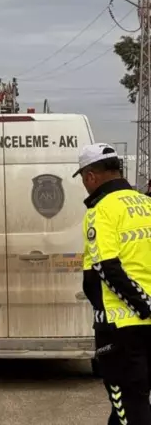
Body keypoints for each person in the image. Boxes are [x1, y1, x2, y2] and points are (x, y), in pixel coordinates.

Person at [74, 143, 151, 424]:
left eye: (83, 179)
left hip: (120, 326)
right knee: (130, 402)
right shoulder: (146, 203)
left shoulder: (100, 210)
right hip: (144, 325)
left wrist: (143, 306)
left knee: (129, 402)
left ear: (91, 176)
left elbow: (105, 268)